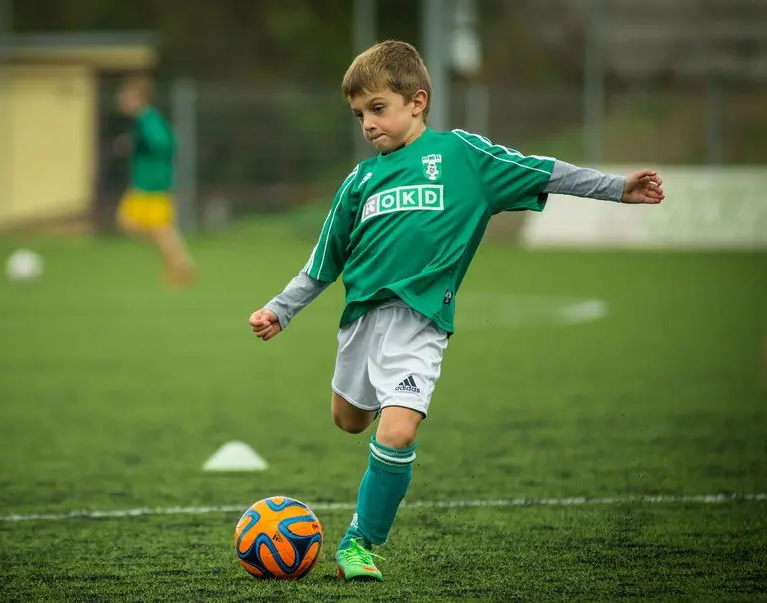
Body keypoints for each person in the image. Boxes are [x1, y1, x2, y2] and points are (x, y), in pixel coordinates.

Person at [248, 40, 664, 582]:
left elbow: (543, 171)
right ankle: (387, 412)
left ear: (417, 101)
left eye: (378, 108)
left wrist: (616, 188)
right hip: (361, 324)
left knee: (396, 434)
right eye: (358, 115)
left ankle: (360, 542)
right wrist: (281, 311)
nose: (368, 124)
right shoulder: (359, 182)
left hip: (421, 323)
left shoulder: (463, 156)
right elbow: (322, 263)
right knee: (349, 420)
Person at [114, 75, 195, 286]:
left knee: (156, 228)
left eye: (126, 97)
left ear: (138, 98)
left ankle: (181, 264)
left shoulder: (148, 118)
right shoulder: (144, 120)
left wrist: (138, 144)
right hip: (145, 183)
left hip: (152, 184)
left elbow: (164, 143)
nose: (122, 101)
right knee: (137, 225)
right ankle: (177, 263)